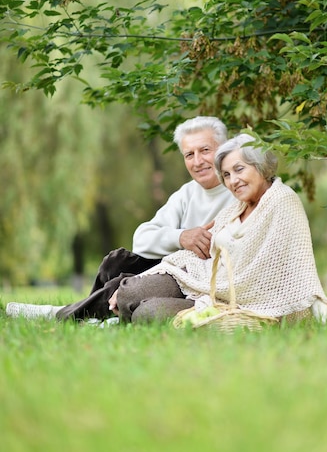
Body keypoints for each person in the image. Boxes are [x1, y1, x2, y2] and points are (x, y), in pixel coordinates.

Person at [5, 116, 236, 321]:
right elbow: (142, 239)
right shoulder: (187, 193)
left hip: (197, 280)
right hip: (172, 268)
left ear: (223, 149)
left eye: (205, 150)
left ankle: (60, 314)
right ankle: (95, 318)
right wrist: (181, 237)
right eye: (189, 154)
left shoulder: (238, 190)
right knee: (115, 261)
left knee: (123, 284)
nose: (197, 162)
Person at [109, 133, 327, 325]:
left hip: (238, 299)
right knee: (129, 291)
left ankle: (137, 316)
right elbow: (202, 255)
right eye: (226, 175)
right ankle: (103, 315)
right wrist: (147, 276)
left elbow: (281, 268)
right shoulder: (235, 208)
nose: (233, 181)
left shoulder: (282, 201)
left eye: (239, 169)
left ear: (261, 167)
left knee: (148, 313)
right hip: (204, 281)